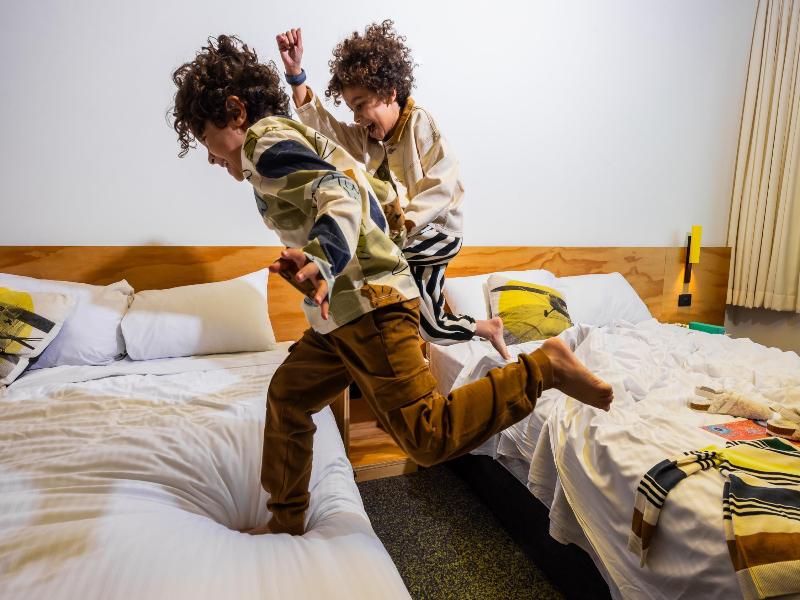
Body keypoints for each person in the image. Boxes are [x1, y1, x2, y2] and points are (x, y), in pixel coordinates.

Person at [170, 35, 614, 536]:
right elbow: (358, 181)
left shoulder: (264, 143)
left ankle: (544, 367)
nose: (210, 157)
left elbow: (338, 192)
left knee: (428, 436)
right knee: (288, 396)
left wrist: (322, 256)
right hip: (341, 316)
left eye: (204, 137)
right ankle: (287, 520)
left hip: (371, 304)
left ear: (235, 112)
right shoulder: (286, 140)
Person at [276, 22, 511, 360]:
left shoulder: (419, 122)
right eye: (352, 109)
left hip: (437, 232)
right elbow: (326, 131)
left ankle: (328, 337)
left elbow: (441, 185)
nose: (357, 117)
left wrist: (404, 223)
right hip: (404, 237)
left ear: (389, 92)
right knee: (428, 325)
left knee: (370, 266)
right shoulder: (367, 138)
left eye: (361, 105)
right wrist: (296, 77)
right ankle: (486, 328)